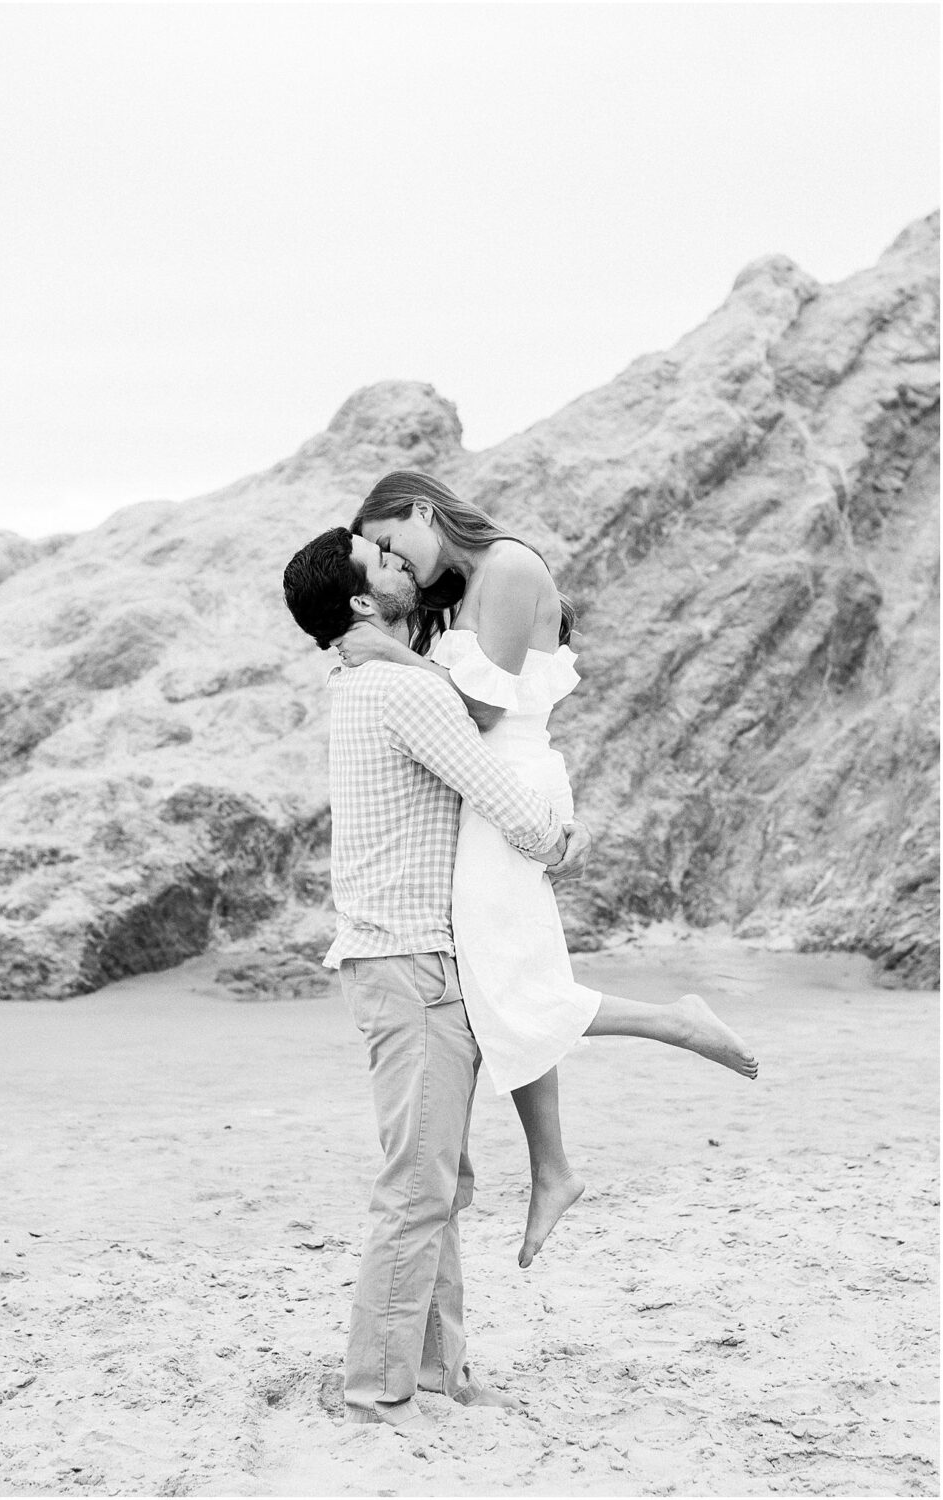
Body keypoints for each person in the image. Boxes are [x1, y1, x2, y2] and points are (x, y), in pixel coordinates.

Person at [341, 471, 758, 1270]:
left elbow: (483, 711)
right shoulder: (467, 583)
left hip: (506, 782)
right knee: (509, 981)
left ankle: (675, 1022)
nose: (395, 562)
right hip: (485, 788)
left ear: (423, 511)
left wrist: (389, 654)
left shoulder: (506, 566)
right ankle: (551, 1168)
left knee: (506, 985)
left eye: (393, 542)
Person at [282, 525, 588, 1429]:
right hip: (411, 964)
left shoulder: (371, 683)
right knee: (417, 1190)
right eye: (382, 563)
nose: (403, 565)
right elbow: (495, 793)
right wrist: (554, 837)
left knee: (437, 1186)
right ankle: (374, 1393)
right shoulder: (397, 692)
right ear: (361, 605)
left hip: (412, 961)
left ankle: (437, 1375)